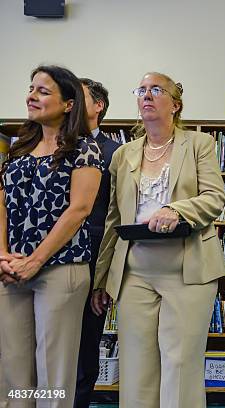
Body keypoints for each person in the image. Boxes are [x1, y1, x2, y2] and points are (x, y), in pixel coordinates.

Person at [91, 72, 225, 408]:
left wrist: (176, 210)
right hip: (135, 271)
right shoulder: (123, 154)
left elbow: (214, 197)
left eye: (156, 90)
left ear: (175, 104)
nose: (147, 95)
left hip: (187, 268)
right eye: (141, 90)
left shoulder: (199, 144)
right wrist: (102, 279)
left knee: (179, 363)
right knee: (137, 366)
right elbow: (113, 218)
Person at [0, 65, 102, 407]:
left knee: (52, 373)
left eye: (43, 91)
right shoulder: (17, 147)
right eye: (31, 89)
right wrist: (3, 254)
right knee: (13, 372)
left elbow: (79, 210)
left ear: (69, 104)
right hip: (11, 270)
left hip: (60, 268)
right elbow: (1, 204)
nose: (32, 96)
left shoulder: (84, 148)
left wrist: (36, 261)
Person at [74, 78, 120, 408]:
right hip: (47, 262)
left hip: (93, 260)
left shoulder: (115, 153)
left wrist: (105, 276)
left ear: (98, 106)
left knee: (86, 343)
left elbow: (117, 213)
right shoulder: (51, 146)